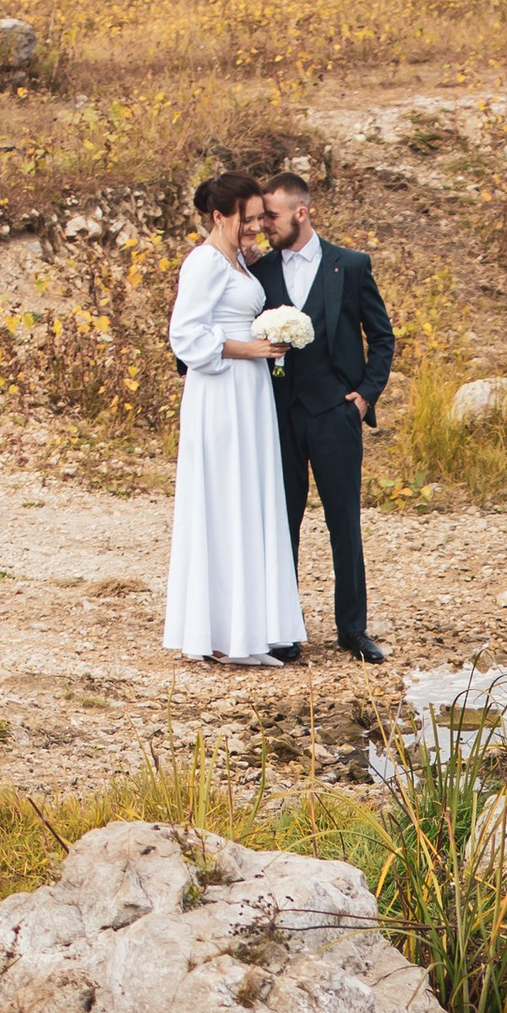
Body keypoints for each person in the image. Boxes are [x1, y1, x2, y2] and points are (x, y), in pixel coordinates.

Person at [162, 170, 302, 668]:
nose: (254, 227)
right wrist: (252, 347)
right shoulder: (204, 264)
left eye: (259, 218)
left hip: (250, 391)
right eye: (246, 220)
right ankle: (219, 633)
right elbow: (187, 337)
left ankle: (248, 628)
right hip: (221, 390)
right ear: (218, 216)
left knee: (248, 498)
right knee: (223, 499)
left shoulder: (238, 262)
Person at [253, 172, 394, 663]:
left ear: (300, 212)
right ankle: (284, 631)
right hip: (281, 415)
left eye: (271, 215)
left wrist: (363, 398)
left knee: (344, 522)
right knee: (282, 521)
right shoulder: (260, 270)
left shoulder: (350, 266)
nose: (263, 224)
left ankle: (352, 630)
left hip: (336, 412)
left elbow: (382, 338)